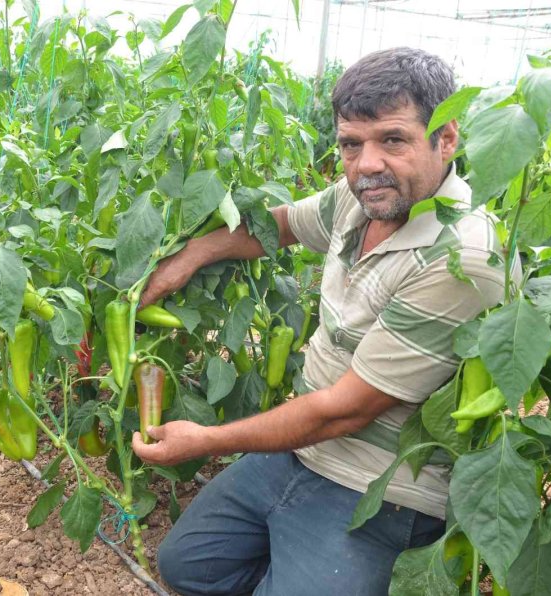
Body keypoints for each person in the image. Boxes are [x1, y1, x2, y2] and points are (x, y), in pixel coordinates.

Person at [131, 47, 514, 595]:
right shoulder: (364, 197)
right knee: (188, 566)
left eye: (394, 139)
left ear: (446, 138)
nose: (366, 164)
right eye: (351, 145)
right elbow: (282, 225)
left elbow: (344, 412)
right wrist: (193, 253)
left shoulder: (462, 256)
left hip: (377, 484)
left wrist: (207, 440)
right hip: (300, 449)